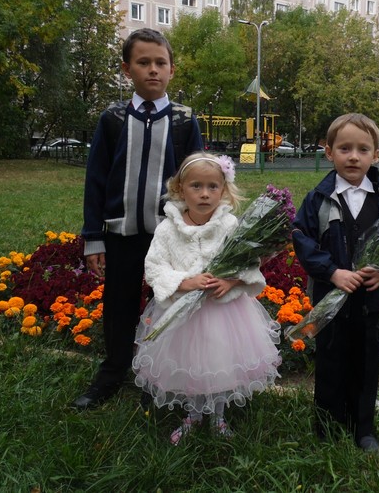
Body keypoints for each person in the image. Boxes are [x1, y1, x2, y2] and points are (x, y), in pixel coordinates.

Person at [73, 28, 203, 410]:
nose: (153, 70)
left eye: (160, 63)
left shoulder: (184, 120)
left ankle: (158, 377)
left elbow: (198, 178)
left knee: (166, 304)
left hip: (169, 237)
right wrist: (93, 237)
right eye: (143, 62)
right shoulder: (113, 119)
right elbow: (96, 180)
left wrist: (197, 231)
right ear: (127, 69)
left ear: (172, 69)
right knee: (119, 305)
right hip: (122, 234)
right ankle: (112, 372)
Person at [133, 152, 281, 445]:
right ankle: (193, 414)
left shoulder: (230, 225)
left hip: (224, 313)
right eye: (196, 186)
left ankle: (218, 416)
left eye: (213, 186)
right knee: (191, 364)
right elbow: (155, 267)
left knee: (220, 362)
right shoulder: (167, 229)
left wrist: (230, 281)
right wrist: (185, 282)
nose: (204, 194)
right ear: (180, 189)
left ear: (223, 189)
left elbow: (249, 263)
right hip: (183, 315)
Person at [291, 113, 379, 453]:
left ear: (376, 155)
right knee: (330, 361)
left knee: (367, 363)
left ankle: (363, 428)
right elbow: (302, 239)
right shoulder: (318, 198)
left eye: (362, 149)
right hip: (331, 301)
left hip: (372, 301)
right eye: (344, 148)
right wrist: (332, 272)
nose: (353, 157)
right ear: (329, 152)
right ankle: (327, 424)